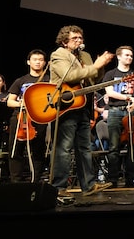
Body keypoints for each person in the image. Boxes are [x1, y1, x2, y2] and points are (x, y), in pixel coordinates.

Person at [48, 25, 114, 199]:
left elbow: (92, 78)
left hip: (84, 106)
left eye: (80, 38)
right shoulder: (59, 54)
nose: (79, 41)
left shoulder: (85, 56)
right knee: (64, 149)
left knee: (84, 148)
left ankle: (89, 185)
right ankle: (58, 187)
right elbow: (68, 76)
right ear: (64, 42)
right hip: (67, 107)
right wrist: (96, 66)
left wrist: (100, 67)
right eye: (74, 38)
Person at [5, 50, 50, 183]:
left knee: (38, 151)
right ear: (28, 62)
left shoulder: (50, 80)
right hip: (20, 118)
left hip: (40, 118)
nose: (37, 62)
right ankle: (16, 182)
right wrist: (22, 103)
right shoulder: (21, 80)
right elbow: (9, 101)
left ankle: (35, 182)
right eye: (35, 59)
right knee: (16, 150)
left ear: (45, 63)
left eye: (41, 59)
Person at [103, 45, 134, 188]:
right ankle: (112, 179)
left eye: (131, 56)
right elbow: (110, 92)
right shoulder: (110, 74)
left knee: (133, 146)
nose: (129, 58)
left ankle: (130, 178)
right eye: (126, 55)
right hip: (115, 111)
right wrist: (128, 98)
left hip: (132, 112)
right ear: (119, 56)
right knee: (114, 146)